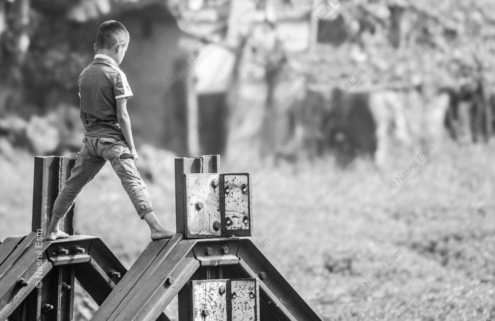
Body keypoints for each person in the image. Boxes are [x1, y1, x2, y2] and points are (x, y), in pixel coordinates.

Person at [44, 20, 174, 241]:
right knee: (132, 180)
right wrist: (131, 147)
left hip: (91, 141)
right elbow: (122, 115)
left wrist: (90, 134)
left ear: (96, 48)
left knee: (73, 185)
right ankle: (155, 227)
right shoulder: (117, 76)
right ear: (119, 47)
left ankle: (52, 229)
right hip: (112, 142)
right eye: (125, 50)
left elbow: (82, 112)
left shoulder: (84, 75)